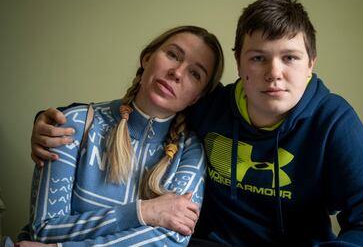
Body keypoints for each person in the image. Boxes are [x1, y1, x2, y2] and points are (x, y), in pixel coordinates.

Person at [29, 0, 363, 246]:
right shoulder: (209, 108)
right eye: (258, 57)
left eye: (290, 58)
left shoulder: (332, 120)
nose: (273, 73)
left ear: (311, 64)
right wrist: (52, 121)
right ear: (241, 63)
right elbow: (144, 107)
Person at [14, 25, 225, 246]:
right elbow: (45, 230)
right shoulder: (73, 123)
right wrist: (143, 211)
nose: (177, 72)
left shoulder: (190, 152)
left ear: (196, 97)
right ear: (147, 58)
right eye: (173, 55)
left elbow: (170, 240)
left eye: (195, 73)